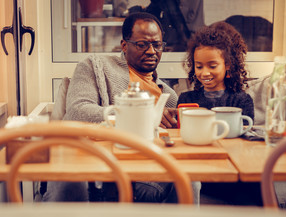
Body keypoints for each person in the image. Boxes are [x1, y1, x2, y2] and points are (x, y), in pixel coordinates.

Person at [43, 12, 200, 203]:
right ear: (124, 46)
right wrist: (143, 116)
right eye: (142, 44)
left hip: (143, 169)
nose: (152, 51)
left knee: (190, 179)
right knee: (69, 181)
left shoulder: (168, 96)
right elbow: (78, 112)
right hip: (92, 159)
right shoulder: (95, 66)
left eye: (157, 45)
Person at [178, 22, 261, 206]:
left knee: (255, 188)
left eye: (212, 66)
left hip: (234, 171)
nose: (204, 72)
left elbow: (245, 144)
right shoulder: (186, 99)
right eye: (199, 66)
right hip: (199, 172)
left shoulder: (241, 100)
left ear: (228, 66)